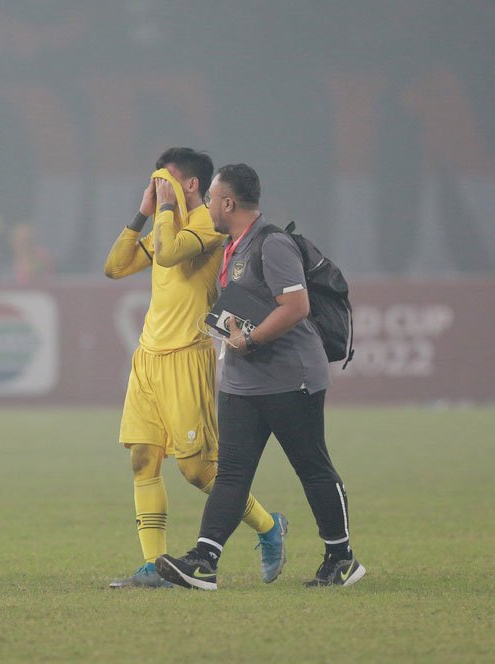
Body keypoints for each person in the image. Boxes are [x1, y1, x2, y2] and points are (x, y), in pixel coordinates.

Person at [156, 163, 365, 590]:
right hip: (243, 381)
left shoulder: (273, 245)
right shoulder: (236, 246)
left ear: (228, 203)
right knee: (232, 472)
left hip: (291, 379)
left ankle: (342, 559)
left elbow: (296, 307)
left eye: (213, 198)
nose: (209, 205)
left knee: (312, 467)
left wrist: (249, 341)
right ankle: (204, 560)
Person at [103, 148, 287, 589]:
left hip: (188, 354)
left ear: (190, 185)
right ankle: (155, 565)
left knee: (198, 471)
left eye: (163, 179)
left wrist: (166, 209)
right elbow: (115, 267)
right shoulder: (167, 220)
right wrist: (142, 214)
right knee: (143, 458)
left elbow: (167, 256)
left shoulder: (206, 223)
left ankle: (268, 526)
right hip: (148, 356)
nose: (155, 185)